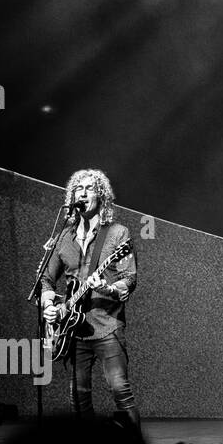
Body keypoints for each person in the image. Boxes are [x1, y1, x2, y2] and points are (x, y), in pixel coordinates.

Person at [39, 169, 140, 427]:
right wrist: (50, 306)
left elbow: (129, 280)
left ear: (102, 196)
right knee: (78, 400)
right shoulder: (64, 236)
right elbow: (46, 279)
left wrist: (106, 288)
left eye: (89, 188)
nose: (83, 193)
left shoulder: (118, 234)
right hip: (73, 330)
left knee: (120, 392)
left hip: (107, 326)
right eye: (78, 189)